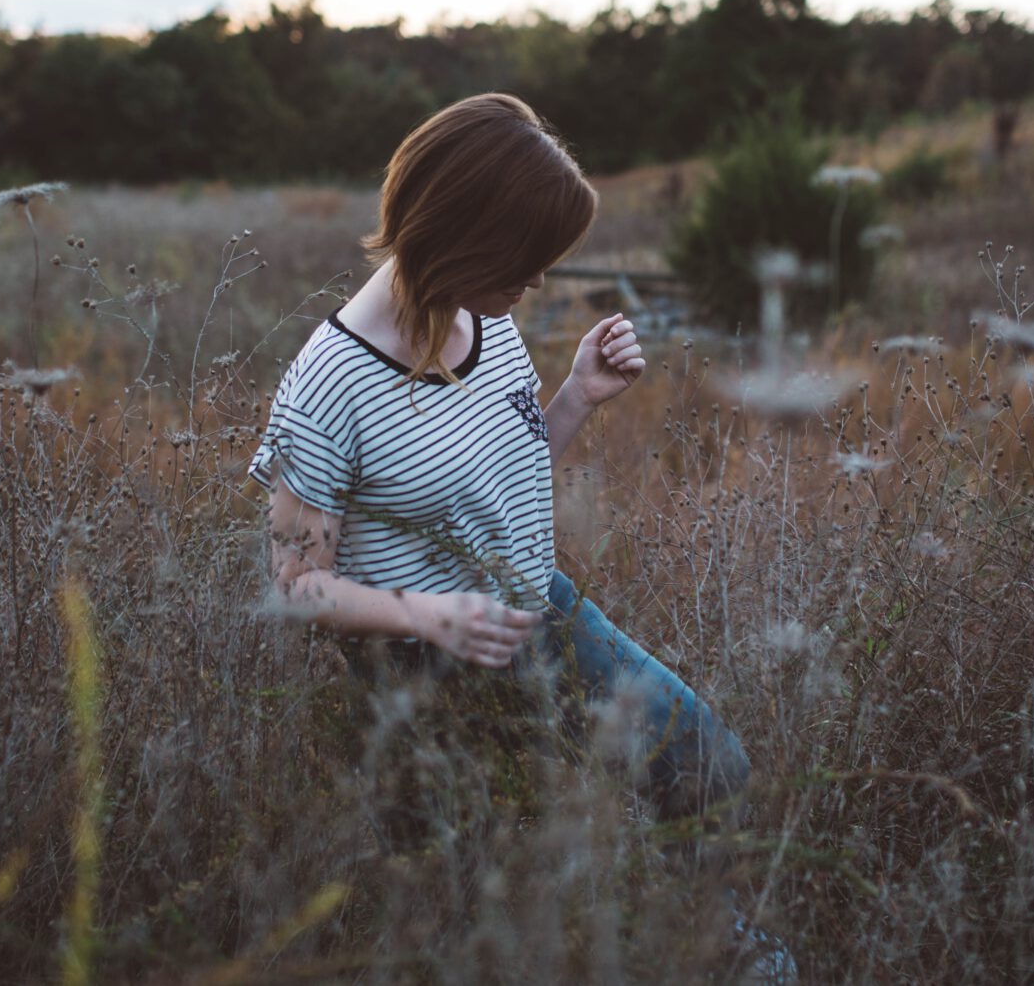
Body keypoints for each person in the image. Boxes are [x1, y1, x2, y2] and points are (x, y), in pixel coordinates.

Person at [246, 92, 750, 824]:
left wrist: (576, 395)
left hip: (539, 609)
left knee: (709, 771)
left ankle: (723, 937)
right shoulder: (329, 384)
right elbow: (296, 587)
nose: (539, 279)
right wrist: (429, 616)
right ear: (462, 232)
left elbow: (497, 479)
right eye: (524, 258)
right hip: (422, 675)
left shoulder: (481, 315)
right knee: (500, 883)